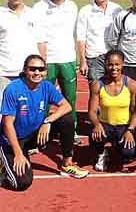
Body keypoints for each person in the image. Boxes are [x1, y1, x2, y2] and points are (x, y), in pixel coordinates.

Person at [0, 55, 88, 191]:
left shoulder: (46, 86)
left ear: (46, 71)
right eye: (33, 69)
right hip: (12, 141)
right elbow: (7, 124)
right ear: (25, 70)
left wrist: (47, 121)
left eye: (41, 69)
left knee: (66, 119)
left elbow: (67, 106)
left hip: (33, 135)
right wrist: (18, 154)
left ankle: (67, 163)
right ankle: (3, 167)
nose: (37, 73)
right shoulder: (13, 89)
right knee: (22, 183)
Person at [33, 0, 80, 140]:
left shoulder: (73, 7)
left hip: (67, 59)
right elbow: (38, 36)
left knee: (70, 99)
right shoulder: (39, 8)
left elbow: (76, 34)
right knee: (42, 100)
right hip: (47, 61)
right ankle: (40, 133)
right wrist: (42, 61)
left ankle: (70, 131)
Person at [0, 0, 47, 124]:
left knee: (26, 111)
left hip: (29, 73)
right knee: (3, 112)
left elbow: (41, 42)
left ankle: (26, 143)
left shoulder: (34, 14)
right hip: (4, 72)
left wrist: (43, 68)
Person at [88, 50, 136, 171]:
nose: (114, 68)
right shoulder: (97, 85)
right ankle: (102, 153)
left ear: (123, 64)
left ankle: (118, 147)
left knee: (128, 154)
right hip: (105, 125)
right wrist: (96, 124)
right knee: (95, 136)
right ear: (106, 65)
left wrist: (130, 130)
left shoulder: (131, 84)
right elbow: (92, 111)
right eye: (110, 64)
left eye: (117, 64)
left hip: (124, 126)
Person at [76, 0, 122, 84]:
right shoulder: (85, 11)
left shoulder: (117, 10)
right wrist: (83, 61)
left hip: (113, 57)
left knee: (113, 91)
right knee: (96, 91)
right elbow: (81, 38)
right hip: (94, 58)